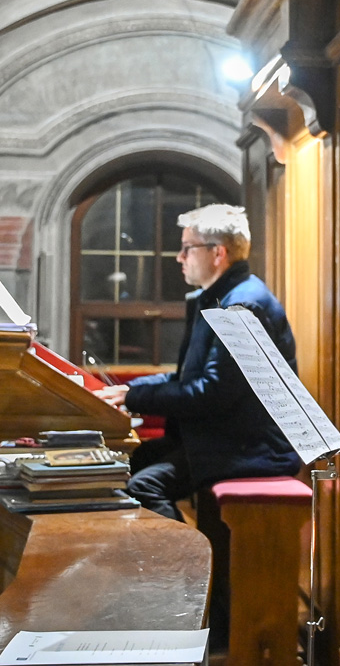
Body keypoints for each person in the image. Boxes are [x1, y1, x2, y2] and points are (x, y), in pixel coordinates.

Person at [94, 203, 300, 522]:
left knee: (143, 488)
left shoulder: (242, 305)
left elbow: (212, 393)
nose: (180, 258)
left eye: (187, 248)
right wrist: (126, 390)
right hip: (223, 438)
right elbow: (187, 378)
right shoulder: (218, 297)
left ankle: (187, 571)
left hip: (250, 447)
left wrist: (134, 398)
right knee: (125, 464)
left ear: (218, 253)